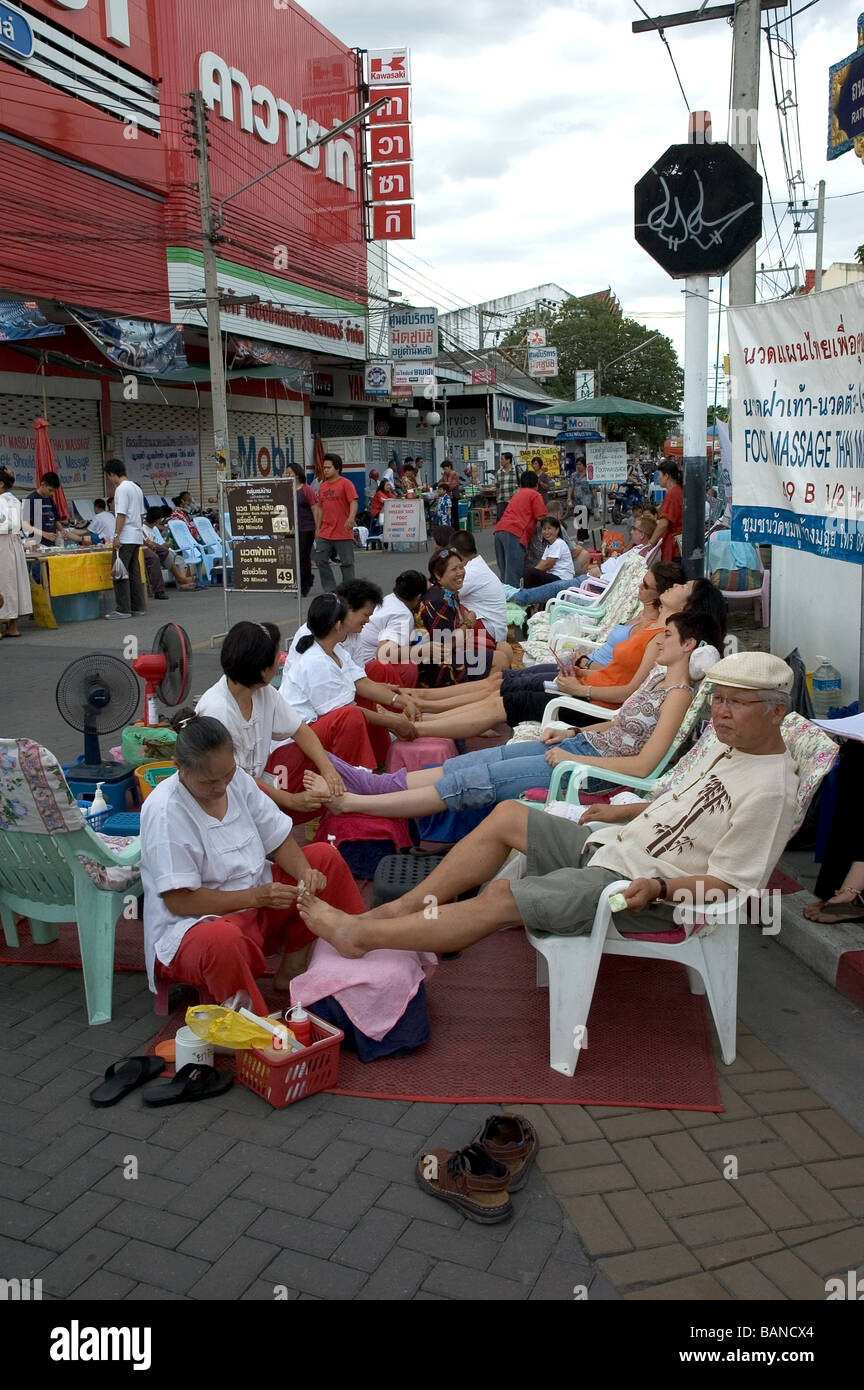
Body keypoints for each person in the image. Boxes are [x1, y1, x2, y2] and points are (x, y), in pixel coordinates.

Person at [295, 653, 800, 959]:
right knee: (508, 815)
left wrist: (661, 885)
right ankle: (408, 905)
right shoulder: (725, 746)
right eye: (719, 700)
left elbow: (732, 887)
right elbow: (677, 803)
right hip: (614, 845)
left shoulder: (771, 790)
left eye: (737, 703)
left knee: (499, 896)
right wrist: (622, 812)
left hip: (638, 892)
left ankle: (361, 935)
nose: (722, 712)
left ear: (776, 712)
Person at [303, 611, 717, 823]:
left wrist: (577, 759)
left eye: (667, 635)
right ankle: (379, 784)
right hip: (577, 748)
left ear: (689, 645)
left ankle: (357, 802)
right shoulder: (659, 682)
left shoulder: (679, 695)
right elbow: (622, 723)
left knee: (471, 781)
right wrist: (571, 731)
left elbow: (645, 765)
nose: (658, 639)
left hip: (587, 771)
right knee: (474, 761)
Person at [140, 711, 365, 1012]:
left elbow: (278, 836)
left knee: (323, 859)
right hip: (194, 929)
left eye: (227, 775)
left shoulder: (238, 780)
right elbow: (180, 902)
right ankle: (252, 1025)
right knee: (223, 939)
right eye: (209, 782)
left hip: (254, 907)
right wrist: (256, 897)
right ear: (179, 767)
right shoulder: (165, 811)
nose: (221, 788)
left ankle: (300, 964)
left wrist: (305, 873)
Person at [403, 570, 726, 735]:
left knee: (505, 696)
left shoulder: (665, 640)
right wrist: (583, 672)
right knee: (502, 684)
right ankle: (423, 704)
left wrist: (580, 687)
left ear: (689, 605)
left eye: (683, 588)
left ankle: (420, 724)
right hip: (587, 689)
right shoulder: (658, 629)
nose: (675, 586)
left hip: (591, 702)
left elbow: (630, 692)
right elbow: (619, 671)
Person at [195, 621, 344, 817]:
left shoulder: (262, 691)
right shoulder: (218, 711)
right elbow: (235, 780)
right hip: (227, 799)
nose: (280, 658)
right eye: (276, 654)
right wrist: (290, 800)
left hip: (257, 783)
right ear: (264, 671)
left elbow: (299, 729)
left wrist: (328, 769)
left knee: (318, 755)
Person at [270, 594, 420, 785]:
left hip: (314, 729)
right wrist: (395, 721)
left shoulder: (334, 649)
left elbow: (362, 683)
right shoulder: (316, 661)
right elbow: (346, 713)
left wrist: (401, 701)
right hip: (294, 744)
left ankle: (377, 762)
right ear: (338, 625)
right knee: (350, 716)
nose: (364, 620)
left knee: (357, 704)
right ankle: (355, 781)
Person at [416, 547, 498, 688]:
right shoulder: (439, 601)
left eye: (461, 567)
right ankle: (477, 699)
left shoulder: (447, 594)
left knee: (502, 648)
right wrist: (468, 623)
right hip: (437, 667)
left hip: (447, 655)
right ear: (438, 574)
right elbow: (444, 647)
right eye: (454, 569)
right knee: (499, 659)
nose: (460, 573)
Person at [104, 459, 146, 620]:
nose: (110, 481)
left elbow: (121, 514)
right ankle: (137, 606)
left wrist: (116, 536)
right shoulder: (136, 488)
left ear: (112, 474)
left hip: (125, 536)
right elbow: (141, 515)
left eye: (109, 477)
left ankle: (123, 608)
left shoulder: (121, 489)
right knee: (134, 572)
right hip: (136, 536)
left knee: (120, 572)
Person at [451, 530, 509, 643]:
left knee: (449, 605)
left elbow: (446, 592)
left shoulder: (471, 571)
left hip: (490, 630)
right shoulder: (475, 564)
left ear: (457, 554)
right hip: (492, 626)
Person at [313, 453, 358, 590]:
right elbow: (320, 508)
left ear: (337, 468)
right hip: (325, 531)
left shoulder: (346, 484)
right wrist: (318, 528)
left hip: (342, 531)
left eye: (328, 467)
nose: (325, 470)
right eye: (324, 467)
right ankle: (330, 590)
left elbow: (353, 501)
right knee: (320, 559)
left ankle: (348, 591)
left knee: (347, 563)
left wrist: (351, 518)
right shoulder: (322, 486)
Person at [493, 470, 547, 586]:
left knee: (504, 572)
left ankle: (504, 600)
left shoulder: (517, 494)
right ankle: (513, 602)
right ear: (536, 484)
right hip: (514, 532)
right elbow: (541, 516)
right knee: (513, 574)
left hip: (499, 531)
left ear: (521, 483)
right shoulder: (535, 494)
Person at [0, 467, 32, 637]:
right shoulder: (15, 501)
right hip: (14, 544)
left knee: (4, 585)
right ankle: (13, 626)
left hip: (3, 545)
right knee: (13, 584)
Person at [142, 505, 195, 598]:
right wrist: (164, 546)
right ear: (157, 520)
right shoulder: (143, 529)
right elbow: (151, 547)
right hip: (154, 553)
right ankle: (181, 580)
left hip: (159, 552)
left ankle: (182, 582)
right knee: (169, 555)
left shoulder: (153, 528)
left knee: (178, 558)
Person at [521, 515, 575, 590]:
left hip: (562, 579)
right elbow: (542, 563)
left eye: (549, 528)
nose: (546, 532)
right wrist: (532, 573)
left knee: (529, 573)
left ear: (557, 530)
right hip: (554, 577)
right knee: (530, 574)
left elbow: (548, 564)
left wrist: (531, 573)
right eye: (544, 529)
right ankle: (529, 595)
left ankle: (526, 595)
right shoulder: (549, 546)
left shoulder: (559, 543)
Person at [290, 463, 318, 597]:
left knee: (302, 556)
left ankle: (303, 585)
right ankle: (306, 579)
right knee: (295, 557)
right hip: (291, 529)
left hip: (306, 528)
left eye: (290, 472)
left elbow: (315, 508)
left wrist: (318, 527)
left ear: (297, 474)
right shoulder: (288, 489)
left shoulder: (307, 490)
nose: (287, 475)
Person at [653, 461, 684, 562]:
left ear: (666, 476)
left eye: (659, 475)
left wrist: (650, 543)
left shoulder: (673, 495)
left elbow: (663, 524)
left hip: (674, 547)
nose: (658, 478)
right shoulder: (678, 491)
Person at [22, 471, 61, 547]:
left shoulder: (50, 499)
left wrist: (62, 530)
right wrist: (44, 534)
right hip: (36, 544)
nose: (52, 493)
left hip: (51, 544)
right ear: (42, 484)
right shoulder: (30, 500)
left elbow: (55, 520)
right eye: (50, 490)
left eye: (54, 491)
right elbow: (25, 526)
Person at [567, 458, 594, 534]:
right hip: (577, 501)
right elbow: (571, 487)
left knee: (584, 519)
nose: (578, 466)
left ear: (584, 465)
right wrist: (569, 497)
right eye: (577, 464)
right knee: (579, 520)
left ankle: (580, 539)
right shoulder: (573, 475)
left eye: (580, 464)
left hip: (587, 501)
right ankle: (585, 535)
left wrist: (595, 501)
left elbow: (593, 488)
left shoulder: (589, 475)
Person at [495, 451, 519, 521]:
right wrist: (497, 499)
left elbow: (522, 485)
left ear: (508, 460)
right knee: (502, 519)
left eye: (502, 459)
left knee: (513, 520)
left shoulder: (516, 471)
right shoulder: (499, 472)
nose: (501, 461)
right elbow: (497, 486)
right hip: (502, 501)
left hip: (514, 501)